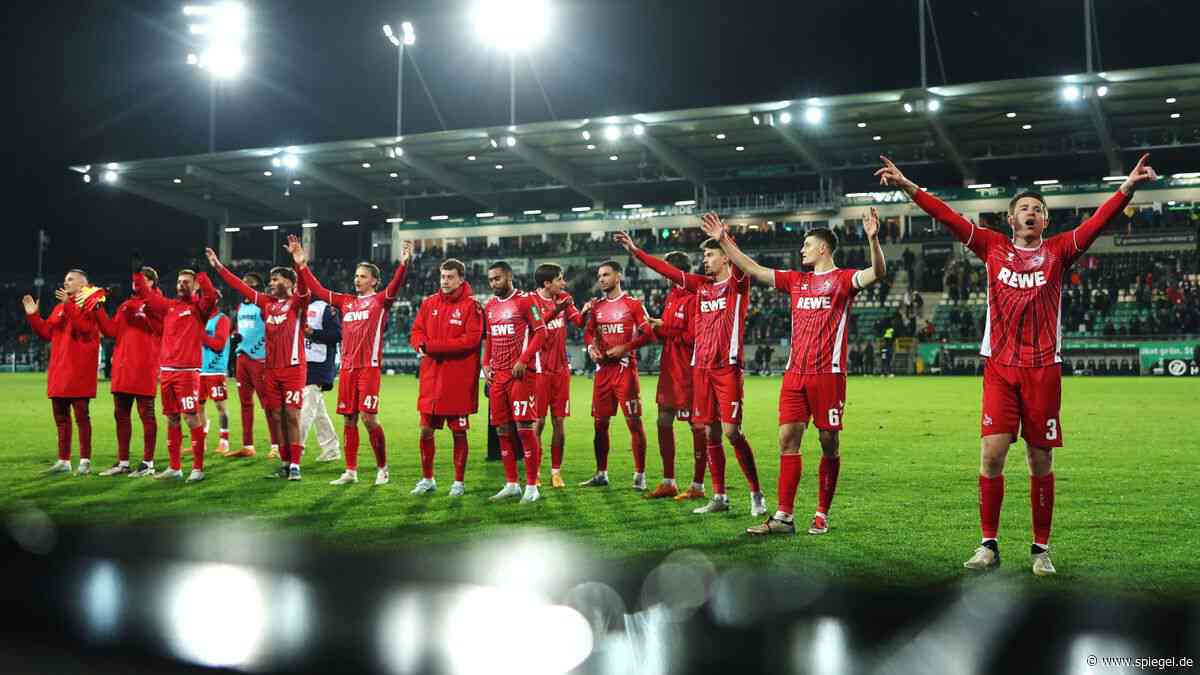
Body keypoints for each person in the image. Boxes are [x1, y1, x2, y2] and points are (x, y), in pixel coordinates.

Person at [875, 153, 1157, 576]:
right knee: (991, 455)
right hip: (1001, 368)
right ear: (1010, 219)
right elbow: (947, 216)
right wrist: (907, 185)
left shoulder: (1060, 251)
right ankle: (988, 544)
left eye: (1038, 210)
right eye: (1024, 208)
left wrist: (1128, 188)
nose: (1032, 213)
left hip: (1043, 368)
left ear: (1045, 222)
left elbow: (1097, 223)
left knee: (1039, 460)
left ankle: (1040, 549)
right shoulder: (992, 247)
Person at [705, 210, 885, 536]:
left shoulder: (843, 279)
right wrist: (724, 240)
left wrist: (873, 238)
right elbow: (753, 269)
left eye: (807, 244)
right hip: (795, 375)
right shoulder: (796, 281)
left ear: (823, 249)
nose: (801, 250)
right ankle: (783, 517)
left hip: (828, 375)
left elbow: (878, 271)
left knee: (829, 442)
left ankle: (821, 512)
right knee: (787, 440)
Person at [618, 224, 766, 517]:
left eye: (710, 255)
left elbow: (741, 261)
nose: (705, 260)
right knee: (710, 433)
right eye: (705, 256)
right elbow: (667, 271)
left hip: (727, 368)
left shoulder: (738, 284)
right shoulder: (700, 286)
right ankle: (719, 495)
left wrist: (725, 237)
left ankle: (756, 493)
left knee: (732, 433)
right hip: (700, 369)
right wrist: (636, 252)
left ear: (726, 258)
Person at [286, 237, 409, 486]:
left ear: (374, 280)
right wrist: (301, 264)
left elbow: (395, 286)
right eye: (356, 275)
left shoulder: (380, 301)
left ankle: (382, 468)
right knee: (349, 419)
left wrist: (404, 265)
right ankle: (350, 471)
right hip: (348, 368)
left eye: (363, 276)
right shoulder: (346, 302)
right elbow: (318, 290)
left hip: (369, 368)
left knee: (368, 418)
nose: (357, 279)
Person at [207, 244, 311, 481]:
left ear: (288, 282)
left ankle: (295, 464)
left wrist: (299, 264)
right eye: (271, 280)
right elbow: (239, 285)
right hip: (271, 370)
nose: (271, 283)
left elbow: (304, 288)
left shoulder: (297, 303)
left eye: (276, 279)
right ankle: (285, 463)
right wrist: (219, 267)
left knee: (292, 416)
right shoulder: (266, 303)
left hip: (294, 368)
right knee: (276, 416)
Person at [131, 257, 219, 482]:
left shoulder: (199, 308)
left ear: (195, 286)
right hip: (167, 372)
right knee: (171, 418)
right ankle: (175, 467)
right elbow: (147, 296)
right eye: (179, 281)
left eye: (187, 282)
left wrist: (201, 275)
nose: (181, 284)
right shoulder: (169, 306)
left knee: (191, 418)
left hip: (188, 373)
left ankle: (198, 468)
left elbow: (210, 296)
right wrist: (137, 273)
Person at [576, 260, 656, 490]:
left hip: (625, 371)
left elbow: (649, 335)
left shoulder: (633, 304)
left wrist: (625, 348)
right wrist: (591, 348)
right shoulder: (597, 306)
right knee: (600, 424)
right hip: (603, 373)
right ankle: (601, 473)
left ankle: (640, 475)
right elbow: (589, 333)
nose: (601, 279)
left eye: (606, 274)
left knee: (634, 422)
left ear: (618, 276)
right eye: (599, 275)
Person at [409, 258, 483, 496]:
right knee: (425, 431)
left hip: (457, 381)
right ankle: (427, 479)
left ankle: (458, 482)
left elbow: (470, 341)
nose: (445, 281)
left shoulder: (472, 306)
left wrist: (432, 347)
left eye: (450, 277)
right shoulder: (429, 303)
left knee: (459, 432)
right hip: (431, 379)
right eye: (443, 276)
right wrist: (419, 344)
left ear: (461, 279)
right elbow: (417, 331)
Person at [21, 270, 102, 475]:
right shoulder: (59, 308)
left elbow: (83, 328)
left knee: (82, 418)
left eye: (70, 279)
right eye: (65, 278)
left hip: (79, 372)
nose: (66, 282)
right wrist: (33, 315)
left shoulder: (91, 305)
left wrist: (68, 304)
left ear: (84, 284)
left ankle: (84, 461)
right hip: (60, 372)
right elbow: (46, 333)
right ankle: (64, 461)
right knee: (61, 419)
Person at [644, 251, 708, 501]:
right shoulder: (673, 295)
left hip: (689, 372)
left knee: (697, 425)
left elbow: (694, 337)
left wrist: (665, 329)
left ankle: (698, 485)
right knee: (662, 420)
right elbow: (671, 333)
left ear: (675, 270)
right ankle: (668, 481)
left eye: (665, 268)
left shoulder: (694, 297)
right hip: (670, 369)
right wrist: (655, 327)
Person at [481, 261, 547, 503]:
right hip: (497, 376)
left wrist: (524, 359)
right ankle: (512, 483)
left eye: (497, 278)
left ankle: (532, 486)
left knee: (524, 428)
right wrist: (485, 363)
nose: (493, 283)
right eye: (490, 280)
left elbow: (541, 332)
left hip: (521, 375)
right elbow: (488, 339)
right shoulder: (489, 307)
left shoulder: (526, 301)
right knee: (502, 429)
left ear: (509, 277)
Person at [93, 266, 162, 476]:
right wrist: (98, 309)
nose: (137, 282)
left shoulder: (157, 304)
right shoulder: (125, 305)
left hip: (144, 367)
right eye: (136, 279)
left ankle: (148, 463)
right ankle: (123, 463)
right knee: (120, 415)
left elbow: (158, 328)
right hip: (122, 369)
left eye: (143, 279)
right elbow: (111, 331)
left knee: (146, 416)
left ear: (151, 283)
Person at [530, 263, 592, 489]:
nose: (563, 283)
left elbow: (577, 322)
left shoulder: (565, 297)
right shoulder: (532, 302)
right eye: (559, 279)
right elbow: (537, 325)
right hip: (538, 371)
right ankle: (534, 471)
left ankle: (556, 472)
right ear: (547, 283)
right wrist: (558, 309)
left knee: (559, 421)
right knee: (538, 423)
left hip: (560, 370)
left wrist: (584, 312)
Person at [230, 272, 273, 459]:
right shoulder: (240, 307)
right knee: (245, 403)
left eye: (250, 285)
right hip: (242, 358)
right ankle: (248, 446)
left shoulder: (263, 306)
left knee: (268, 404)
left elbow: (271, 330)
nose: (245, 288)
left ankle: (277, 446)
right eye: (243, 284)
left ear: (258, 288)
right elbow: (240, 330)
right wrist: (235, 336)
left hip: (260, 360)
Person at [299, 297, 341, 464]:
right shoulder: (297, 305)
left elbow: (337, 335)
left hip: (319, 363)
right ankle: (331, 449)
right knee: (317, 411)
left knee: (306, 408)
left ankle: (295, 449)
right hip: (302, 361)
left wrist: (313, 333)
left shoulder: (325, 308)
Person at [197, 303, 232, 457]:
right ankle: (200, 442)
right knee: (197, 407)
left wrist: (200, 334)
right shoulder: (199, 319)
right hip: (198, 369)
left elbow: (219, 344)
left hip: (215, 369)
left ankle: (224, 441)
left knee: (220, 406)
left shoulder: (222, 319)